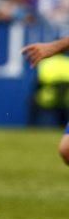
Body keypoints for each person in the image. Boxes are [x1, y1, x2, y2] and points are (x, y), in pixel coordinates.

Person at [23, 36, 69, 164]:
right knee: (67, 150)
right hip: (65, 101)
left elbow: (38, 85)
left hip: (46, 100)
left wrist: (54, 46)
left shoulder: (47, 65)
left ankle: (31, 127)